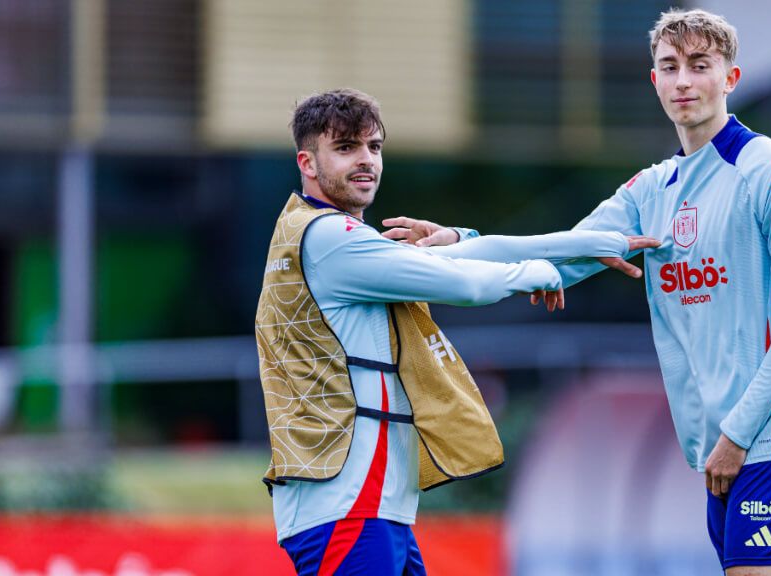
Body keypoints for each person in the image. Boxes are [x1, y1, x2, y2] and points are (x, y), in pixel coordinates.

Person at [390, 9, 771, 575]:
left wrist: (735, 435)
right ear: (653, 81)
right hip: (724, 446)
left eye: (700, 66)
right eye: (670, 67)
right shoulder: (650, 189)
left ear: (731, 78)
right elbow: (559, 254)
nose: (684, 81)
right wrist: (456, 243)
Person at [254, 88, 657, 575]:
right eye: (345, 148)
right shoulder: (329, 239)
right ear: (307, 162)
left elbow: (459, 257)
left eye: (374, 147)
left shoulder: (330, 234)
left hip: (370, 502)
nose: (366, 161)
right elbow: (466, 284)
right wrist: (545, 272)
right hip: (347, 502)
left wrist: (591, 244)